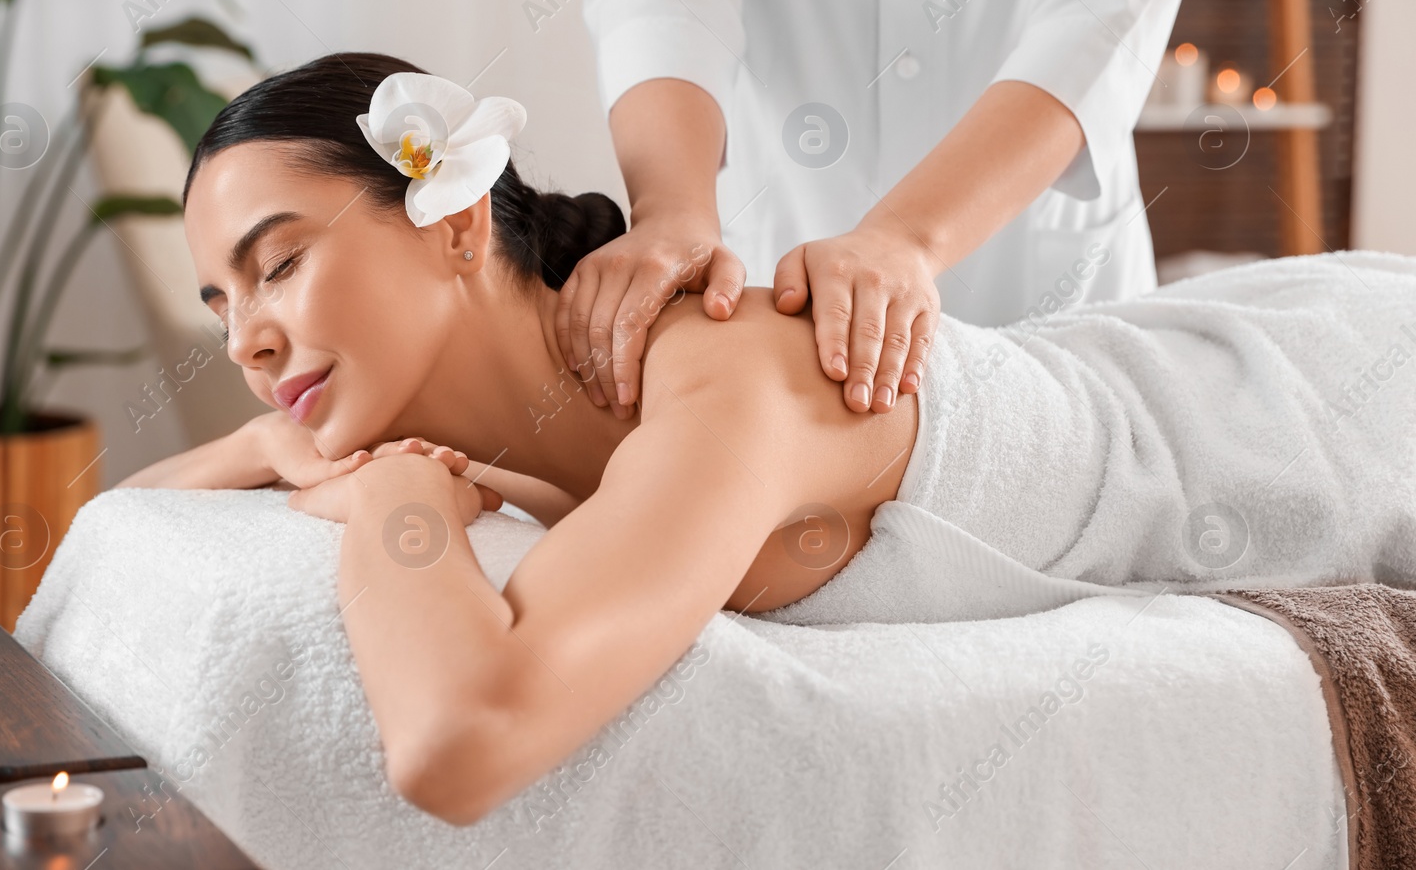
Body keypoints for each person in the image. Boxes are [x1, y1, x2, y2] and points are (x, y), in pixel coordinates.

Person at [120, 55, 1416, 825]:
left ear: (455, 224)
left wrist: (389, 507)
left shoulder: (725, 381)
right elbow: (136, 507)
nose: (246, 339)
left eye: (278, 265)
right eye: (222, 304)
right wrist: (283, 451)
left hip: (1333, 405)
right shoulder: (576, 429)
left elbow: (463, 739)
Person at [565, 0, 1246, 421]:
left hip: (1043, 295)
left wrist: (907, 238)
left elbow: (1103, 10)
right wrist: (671, 210)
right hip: (780, 261)